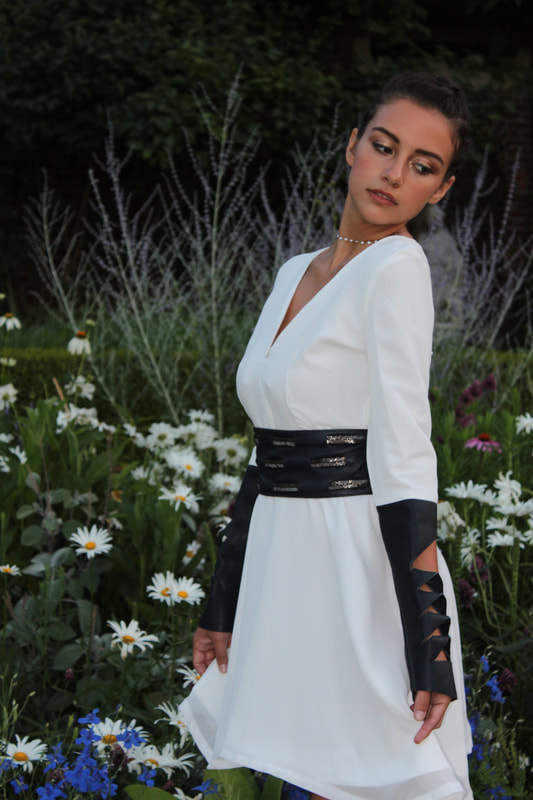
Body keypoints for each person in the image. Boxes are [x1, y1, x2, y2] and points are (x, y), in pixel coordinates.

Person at [180, 73, 474, 800]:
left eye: (421, 165)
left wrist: (426, 643)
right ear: (352, 146)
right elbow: (266, 454)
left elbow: (405, 452)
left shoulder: (397, 268)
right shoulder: (290, 275)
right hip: (286, 565)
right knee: (301, 774)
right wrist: (225, 605)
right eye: (383, 146)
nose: (393, 173)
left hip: (357, 569)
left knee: (365, 775)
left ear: (439, 189)